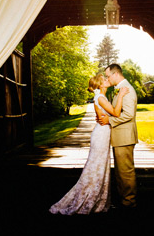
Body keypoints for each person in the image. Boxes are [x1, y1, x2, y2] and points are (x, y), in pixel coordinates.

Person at [49, 73, 128, 215]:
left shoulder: (100, 97)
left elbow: (109, 114)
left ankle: (99, 200)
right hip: (101, 135)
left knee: (100, 166)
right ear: (100, 85)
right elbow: (116, 113)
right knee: (96, 166)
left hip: (102, 133)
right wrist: (121, 95)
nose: (107, 80)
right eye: (104, 79)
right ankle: (90, 198)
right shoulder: (101, 98)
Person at [97, 63, 138, 209]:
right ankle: (124, 200)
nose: (108, 79)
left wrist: (110, 120)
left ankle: (129, 202)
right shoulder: (120, 89)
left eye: (108, 76)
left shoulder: (127, 89)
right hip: (120, 137)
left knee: (126, 172)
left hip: (125, 137)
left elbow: (128, 114)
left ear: (115, 74)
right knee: (121, 172)